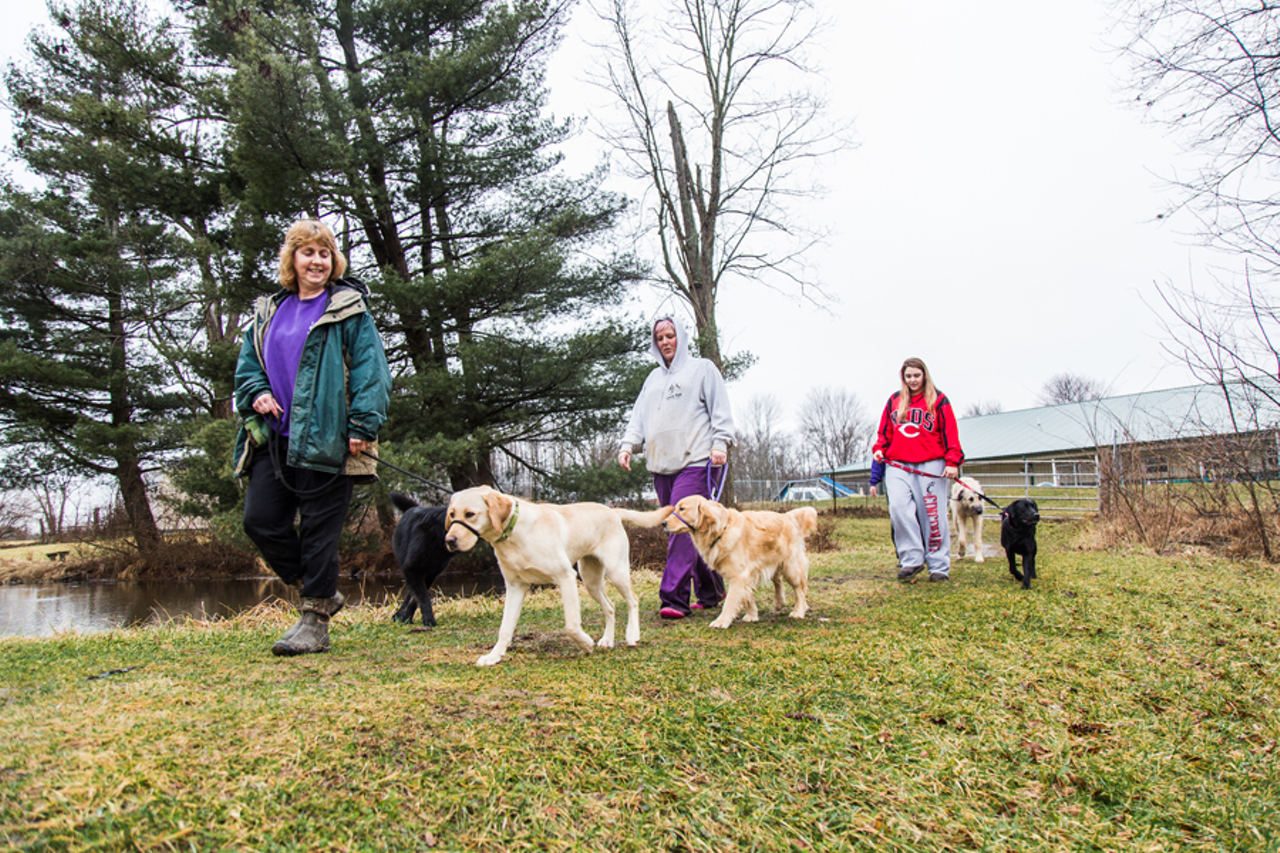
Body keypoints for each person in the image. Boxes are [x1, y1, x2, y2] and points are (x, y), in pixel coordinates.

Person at [233, 219, 392, 656]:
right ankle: (320, 590)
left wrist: (362, 426)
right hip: (277, 437)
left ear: (333, 260)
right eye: (308, 253)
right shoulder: (269, 312)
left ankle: (315, 623)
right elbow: (248, 366)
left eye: (324, 253)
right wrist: (258, 393)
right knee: (260, 520)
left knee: (321, 532)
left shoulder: (350, 309)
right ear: (292, 260)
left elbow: (371, 372)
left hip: (332, 439)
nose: (317, 261)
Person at [618, 317, 736, 619]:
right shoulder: (652, 379)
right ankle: (711, 592)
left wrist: (720, 443)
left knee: (680, 528)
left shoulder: (702, 369)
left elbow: (720, 409)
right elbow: (639, 417)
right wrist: (628, 445)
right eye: (659, 338)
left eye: (670, 336)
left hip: (696, 461)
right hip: (662, 465)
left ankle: (673, 598)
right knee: (694, 528)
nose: (665, 342)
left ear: (680, 338)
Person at [871, 357, 964, 582]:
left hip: (931, 462)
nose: (913, 380)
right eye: (908, 376)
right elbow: (884, 432)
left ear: (924, 375)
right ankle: (911, 559)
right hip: (898, 464)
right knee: (899, 508)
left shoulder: (939, 400)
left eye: (916, 375)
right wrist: (879, 449)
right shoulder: (894, 400)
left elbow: (950, 432)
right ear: (903, 377)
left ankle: (939, 564)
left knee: (932, 514)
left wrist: (952, 461)